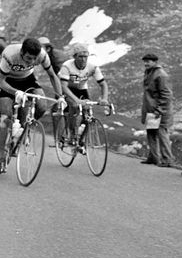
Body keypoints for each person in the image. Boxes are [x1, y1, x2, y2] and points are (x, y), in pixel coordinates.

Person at [0, 37, 66, 173]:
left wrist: (60, 97)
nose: (31, 61)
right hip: (7, 82)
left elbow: (53, 76)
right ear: (22, 52)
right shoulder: (10, 54)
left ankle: (24, 129)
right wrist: (15, 92)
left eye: (33, 59)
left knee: (42, 106)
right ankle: (1, 157)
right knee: (5, 120)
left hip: (27, 80)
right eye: (28, 58)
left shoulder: (42, 55)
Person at [58, 43, 109, 139]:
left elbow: (103, 84)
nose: (83, 59)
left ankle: (82, 141)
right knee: (74, 106)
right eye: (80, 56)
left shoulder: (92, 67)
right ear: (74, 57)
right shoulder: (67, 66)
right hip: (68, 88)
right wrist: (76, 100)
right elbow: (64, 86)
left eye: (85, 56)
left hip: (82, 89)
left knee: (89, 114)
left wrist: (104, 98)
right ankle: (70, 132)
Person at [140, 52, 174, 167]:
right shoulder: (149, 72)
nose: (145, 63)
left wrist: (159, 109)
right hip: (151, 110)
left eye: (148, 61)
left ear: (155, 62)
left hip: (159, 111)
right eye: (144, 61)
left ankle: (167, 159)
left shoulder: (160, 75)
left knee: (161, 133)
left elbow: (166, 94)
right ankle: (153, 157)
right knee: (151, 133)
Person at [38, 37, 68, 138]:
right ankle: (62, 137)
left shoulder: (56, 57)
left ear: (48, 48)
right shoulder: (47, 55)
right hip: (63, 82)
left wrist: (60, 94)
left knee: (58, 109)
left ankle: (60, 138)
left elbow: (60, 76)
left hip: (66, 83)